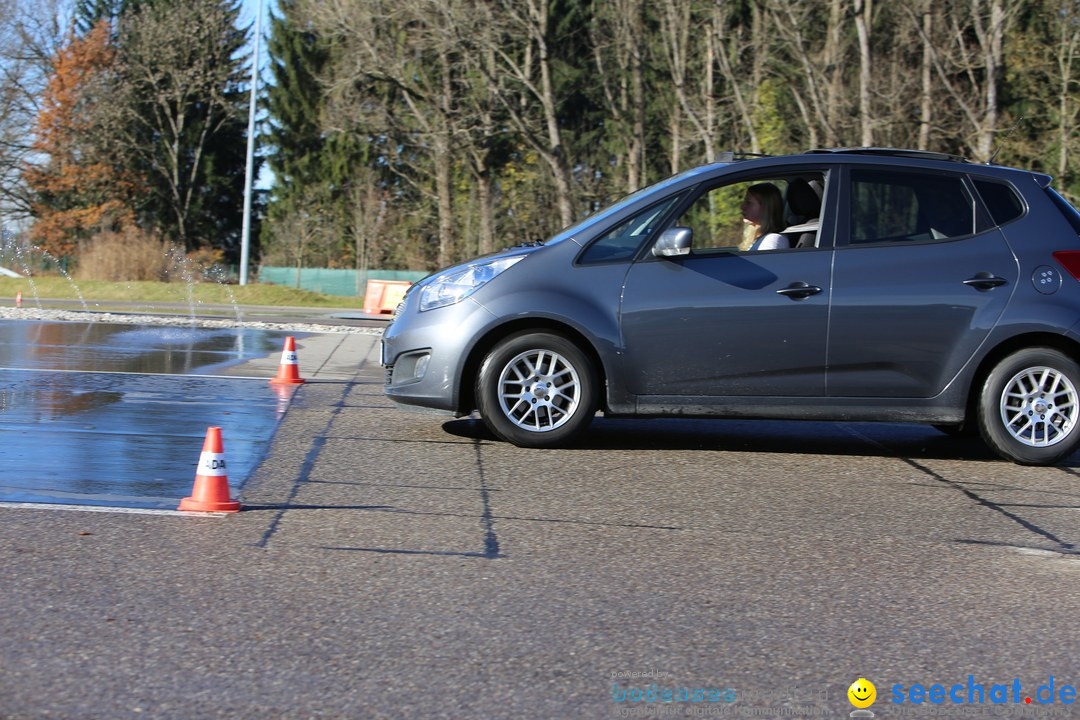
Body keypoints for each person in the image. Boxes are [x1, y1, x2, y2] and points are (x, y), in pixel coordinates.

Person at [741, 182, 789, 251]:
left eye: (749, 203)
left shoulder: (773, 240)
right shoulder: (760, 237)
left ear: (765, 208)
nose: (742, 207)